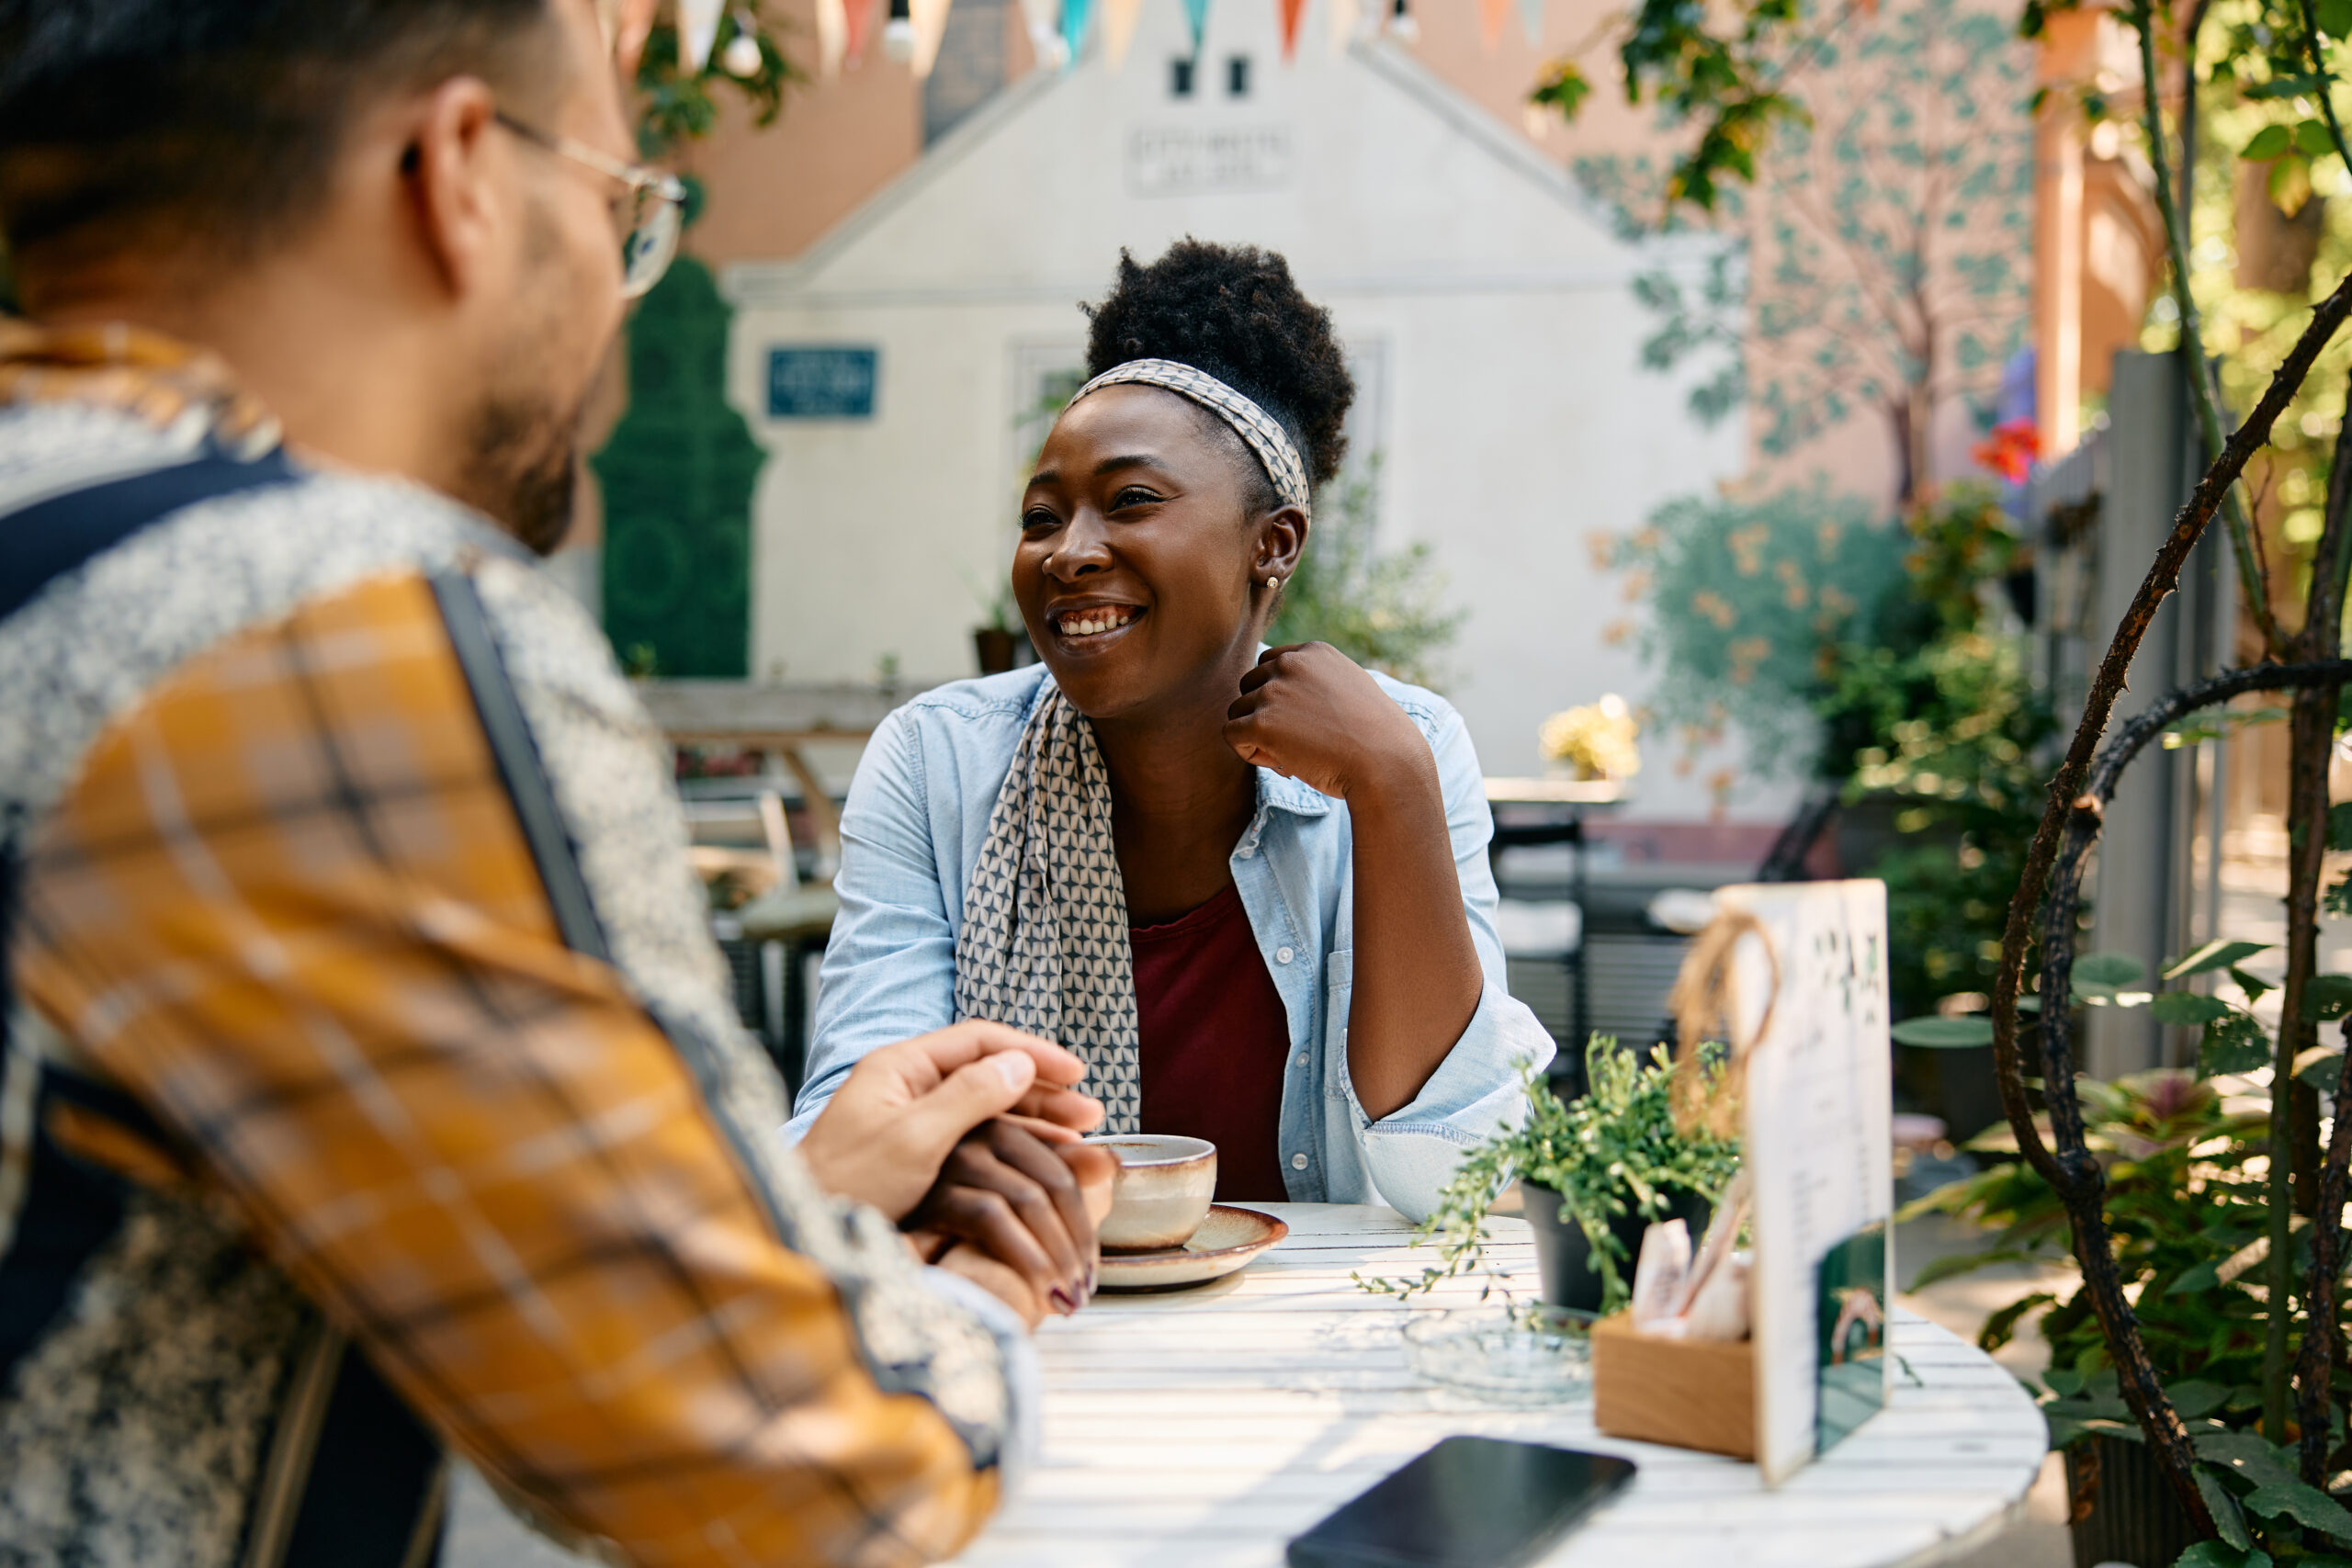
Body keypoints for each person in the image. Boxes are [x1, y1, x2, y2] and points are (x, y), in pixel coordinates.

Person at [0, 3, 1110, 1564]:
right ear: (460, 171)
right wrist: (962, 1306)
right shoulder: (338, 628)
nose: (621, 303)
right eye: (623, 211)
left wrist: (781, 1210)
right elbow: (811, 1483)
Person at [792, 241, 1553, 1228]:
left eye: (1132, 501)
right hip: (1037, 1318)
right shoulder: (938, 763)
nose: (1068, 553)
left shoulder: (1403, 748)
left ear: (1271, 544)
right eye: (1041, 516)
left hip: (1324, 1344)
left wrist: (1392, 783)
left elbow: (1458, 1174)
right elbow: (851, 1145)